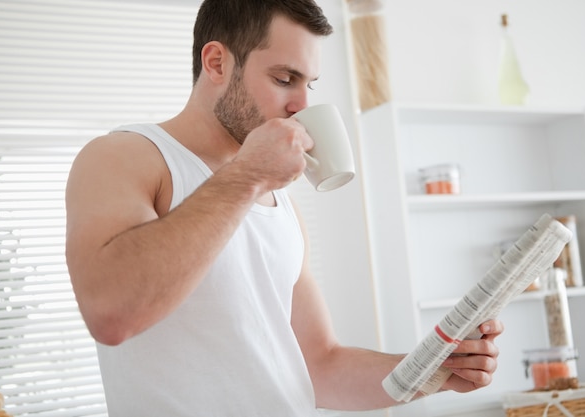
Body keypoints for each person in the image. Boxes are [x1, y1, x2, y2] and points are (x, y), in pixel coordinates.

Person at [65, 0, 504, 415]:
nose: (301, 105)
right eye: (283, 79)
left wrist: (434, 369)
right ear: (217, 62)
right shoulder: (125, 157)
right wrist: (246, 176)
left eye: (308, 84)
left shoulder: (282, 205)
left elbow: (321, 365)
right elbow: (110, 314)